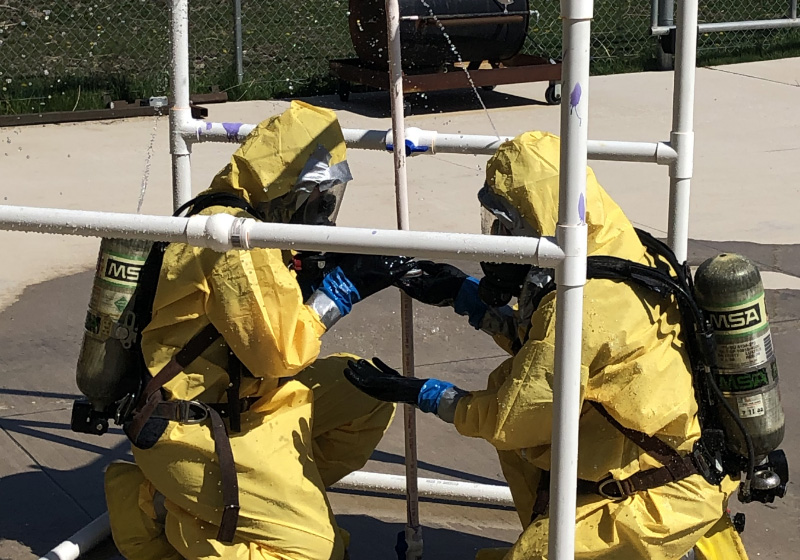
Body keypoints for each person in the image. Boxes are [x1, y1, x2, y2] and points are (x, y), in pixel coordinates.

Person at [344, 131, 750, 560]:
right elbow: (556, 351)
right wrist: (463, 297)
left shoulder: (583, 305)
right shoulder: (618, 250)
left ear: (537, 219)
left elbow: (514, 416)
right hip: (684, 460)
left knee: (539, 548)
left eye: (505, 223)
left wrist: (425, 395)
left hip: (660, 495)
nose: (496, 237)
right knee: (529, 456)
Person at [104, 101, 411, 560]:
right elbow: (280, 353)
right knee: (317, 553)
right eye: (319, 200)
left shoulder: (247, 216)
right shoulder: (236, 240)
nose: (324, 214)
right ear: (291, 188)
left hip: (252, 401)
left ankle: (268, 501)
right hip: (200, 425)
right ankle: (182, 523)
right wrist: (341, 290)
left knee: (368, 391)